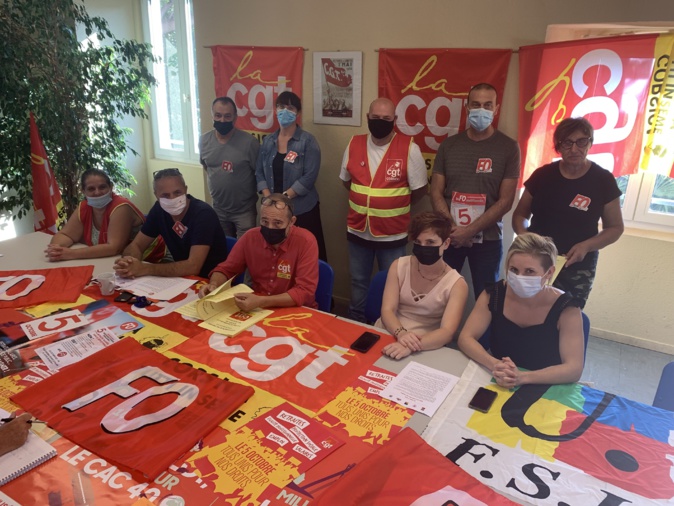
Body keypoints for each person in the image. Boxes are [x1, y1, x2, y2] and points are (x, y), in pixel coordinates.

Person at [512, 117, 624, 307]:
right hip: (535, 260)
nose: (574, 149)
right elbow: (520, 215)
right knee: (525, 309)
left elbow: (615, 228)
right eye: (567, 143)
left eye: (581, 142)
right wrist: (525, 236)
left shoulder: (603, 180)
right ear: (558, 146)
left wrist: (586, 246)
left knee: (567, 313)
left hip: (577, 265)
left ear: (590, 143)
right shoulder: (543, 175)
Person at [340, 97, 428, 322]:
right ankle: (356, 321)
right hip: (358, 229)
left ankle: (387, 324)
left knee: (393, 284)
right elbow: (346, 181)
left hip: (393, 234)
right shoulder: (354, 143)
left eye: (386, 118)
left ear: (394, 120)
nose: (380, 121)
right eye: (376, 117)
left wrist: (391, 204)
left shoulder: (409, 148)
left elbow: (419, 190)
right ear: (367, 118)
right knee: (358, 281)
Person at [431, 83, 520, 301]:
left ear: (496, 109)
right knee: (441, 294)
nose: (482, 110)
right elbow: (436, 192)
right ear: (467, 107)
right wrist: (454, 229)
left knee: (487, 298)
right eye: (476, 104)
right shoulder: (449, 146)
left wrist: (469, 231)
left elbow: (506, 201)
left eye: (487, 105)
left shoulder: (509, 147)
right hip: (450, 236)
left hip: (488, 240)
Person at [458, 233, 585, 387]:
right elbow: (466, 338)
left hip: (546, 382)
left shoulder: (567, 308)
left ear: (549, 273)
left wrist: (522, 377)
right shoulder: (493, 294)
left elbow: (574, 369)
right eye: (513, 269)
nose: (519, 277)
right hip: (499, 377)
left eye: (529, 271)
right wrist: (495, 365)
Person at [199, 193, 318, 310]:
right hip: (258, 307)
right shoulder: (250, 237)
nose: (270, 227)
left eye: (277, 223)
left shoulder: (306, 241)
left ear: (291, 221)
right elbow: (226, 269)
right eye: (265, 221)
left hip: (296, 309)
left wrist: (262, 301)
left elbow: (304, 291)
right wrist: (214, 285)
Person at [378, 212, 468, 360]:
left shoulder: (457, 284)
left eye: (430, 242)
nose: (423, 247)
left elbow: (447, 332)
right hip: (389, 331)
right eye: (418, 242)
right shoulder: (398, 265)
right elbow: (388, 310)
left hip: (424, 344)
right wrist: (401, 334)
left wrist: (409, 346)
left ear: (446, 243)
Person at [114, 168, 227, 279]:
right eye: (165, 195)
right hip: (180, 278)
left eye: (177, 192)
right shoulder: (159, 210)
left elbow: (193, 266)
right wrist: (128, 263)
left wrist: (145, 268)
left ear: (185, 190)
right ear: (156, 195)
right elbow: (137, 245)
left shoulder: (203, 214)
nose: (172, 199)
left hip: (210, 279)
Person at [256, 91, 327, 261]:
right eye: (281, 107)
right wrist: (270, 198)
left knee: (306, 257)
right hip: (273, 212)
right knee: (278, 257)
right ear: (275, 110)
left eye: (290, 108)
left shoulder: (307, 141)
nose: (285, 111)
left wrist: (284, 199)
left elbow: (309, 176)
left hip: (303, 211)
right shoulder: (268, 141)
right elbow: (259, 172)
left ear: (298, 112)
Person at [45, 169, 164, 262]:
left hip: (150, 259)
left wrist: (70, 254)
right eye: (91, 189)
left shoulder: (121, 207)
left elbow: (114, 248)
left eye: (102, 187)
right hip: (111, 260)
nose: (97, 192)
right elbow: (66, 235)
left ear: (111, 187)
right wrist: (57, 249)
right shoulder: (84, 207)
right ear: (83, 191)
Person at [200, 96, 260, 238]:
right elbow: (206, 166)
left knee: (244, 250)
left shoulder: (249, 143)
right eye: (218, 115)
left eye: (227, 116)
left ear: (235, 117)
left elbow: (259, 173)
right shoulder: (204, 141)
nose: (222, 120)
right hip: (218, 209)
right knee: (223, 247)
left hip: (244, 212)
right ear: (212, 115)